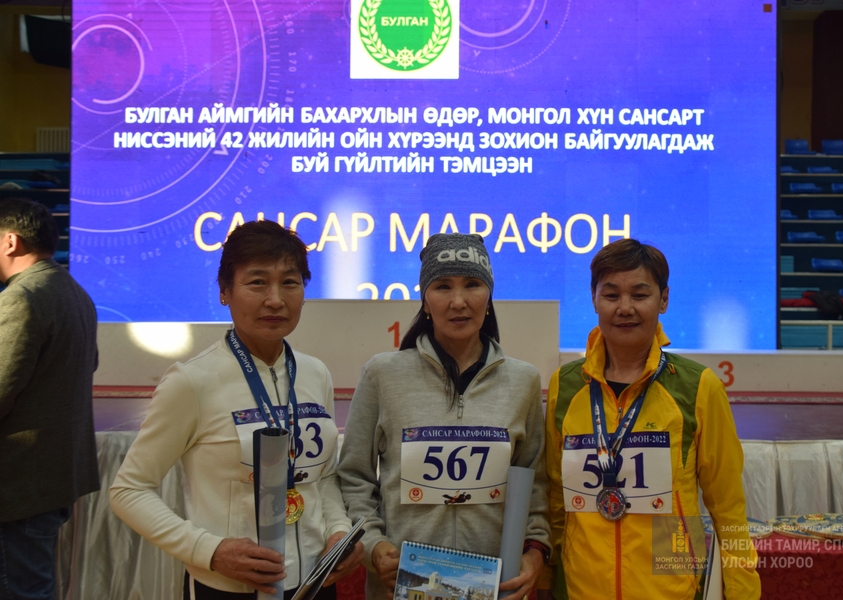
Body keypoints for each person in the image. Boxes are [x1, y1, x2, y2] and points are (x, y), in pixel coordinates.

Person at [110, 220, 363, 599]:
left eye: (290, 282)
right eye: (257, 282)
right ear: (225, 292)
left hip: (314, 581)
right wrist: (209, 551)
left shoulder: (315, 374)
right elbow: (129, 490)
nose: (275, 299)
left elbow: (322, 478)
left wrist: (339, 532)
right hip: (229, 587)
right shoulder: (192, 381)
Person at [540, 238, 761, 599]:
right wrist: (547, 581)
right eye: (611, 295)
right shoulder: (565, 386)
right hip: (581, 589)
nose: (625, 308)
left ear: (664, 299)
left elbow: (729, 509)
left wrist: (742, 592)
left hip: (670, 588)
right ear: (594, 299)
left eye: (639, 295)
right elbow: (555, 502)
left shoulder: (698, 387)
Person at [338, 233, 551, 599]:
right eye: (442, 286)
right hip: (402, 585)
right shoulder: (382, 374)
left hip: (492, 587)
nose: (458, 301)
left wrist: (534, 554)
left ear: (489, 297)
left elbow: (536, 484)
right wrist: (374, 546)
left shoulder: (524, 380)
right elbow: (353, 477)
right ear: (425, 300)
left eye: (472, 285)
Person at [0, 197, 100, 600]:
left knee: (20, 589)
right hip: (52, 477)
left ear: (10, 241)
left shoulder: (21, 297)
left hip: (19, 482)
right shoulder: (75, 293)